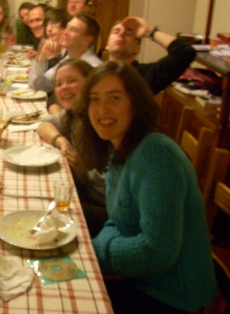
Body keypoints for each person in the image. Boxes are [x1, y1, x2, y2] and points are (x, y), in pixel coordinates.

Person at [73, 61, 216, 313]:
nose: (101, 109)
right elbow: (115, 222)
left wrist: (91, 255)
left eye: (114, 98)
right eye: (94, 99)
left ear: (136, 103)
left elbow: (156, 251)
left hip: (172, 297)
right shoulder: (120, 148)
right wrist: (92, 251)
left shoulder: (155, 154)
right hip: (142, 280)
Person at [36, 58, 106, 235]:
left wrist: (85, 174)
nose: (64, 87)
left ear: (90, 83)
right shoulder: (73, 115)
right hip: (84, 194)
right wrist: (61, 141)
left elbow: (110, 193)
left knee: (41, 215)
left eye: (72, 81)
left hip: (103, 211)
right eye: (59, 84)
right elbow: (43, 126)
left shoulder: (101, 121)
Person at [106, 16, 196, 94]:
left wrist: (149, 31)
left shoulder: (147, 75)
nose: (121, 34)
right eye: (116, 31)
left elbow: (184, 52)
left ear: (137, 49)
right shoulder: (96, 73)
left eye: (128, 33)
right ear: (107, 45)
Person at [29, 13, 101, 95]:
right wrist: (42, 57)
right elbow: (39, 86)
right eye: (67, 27)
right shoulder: (68, 58)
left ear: (87, 40)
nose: (65, 33)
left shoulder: (93, 68)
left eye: (73, 30)